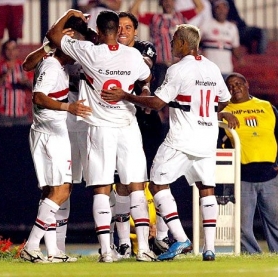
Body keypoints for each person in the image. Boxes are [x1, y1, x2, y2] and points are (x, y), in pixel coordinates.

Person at [101, 23, 239, 261]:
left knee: (156, 184)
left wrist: (124, 95)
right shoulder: (212, 68)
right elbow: (224, 100)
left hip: (182, 139)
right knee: (207, 189)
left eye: (174, 40)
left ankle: (180, 238)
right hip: (207, 137)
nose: (172, 44)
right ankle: (209, 249)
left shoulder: (178, 70)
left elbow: (156, 103)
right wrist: (205, 113)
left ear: (184, 44)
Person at [46, 9, 156, 263]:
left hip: (99, 128)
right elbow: (147, 76)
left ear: (98, 30)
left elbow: (53, 35)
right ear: (118, 30)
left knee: (102, 189)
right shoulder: (132, 55)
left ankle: (107, 251)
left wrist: (70, 13)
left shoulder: (89, 52)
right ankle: (143, 251)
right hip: (127, 126)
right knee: (136, 186)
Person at [21, 16, 94, 257]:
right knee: (63, 191)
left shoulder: (54, 64)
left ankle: (53, 251)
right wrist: (68, 108)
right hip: (52, 134)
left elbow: (29, 66)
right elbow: (38, 97)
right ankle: (31, 246)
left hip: (46, 132)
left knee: (50, 193)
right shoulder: (52, 66)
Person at [113, 11, 172, 259]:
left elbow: (142, 70)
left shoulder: (144, 48)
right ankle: (125, 242)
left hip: (146, 120)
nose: (123, 31)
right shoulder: (104, 50)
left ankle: (161, 236)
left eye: (128, 27)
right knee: (122, 182)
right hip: (118, 121)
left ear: (136, 31)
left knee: (157, 177)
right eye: (118, 27)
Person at [222, 72, 278, 254]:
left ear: (247, 85)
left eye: (238, 83)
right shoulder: (224, 110)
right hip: (242, 176)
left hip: (271, 175)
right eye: (230, 86)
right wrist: (222, 113)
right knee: (242, 226)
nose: (234, 88)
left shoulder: (266, 106)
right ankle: (253, 259)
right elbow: (204, 119)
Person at [130, 0, 187, 93]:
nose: (168, 3)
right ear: (161, 3)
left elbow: (200, 7)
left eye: (171, 1)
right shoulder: (154, 18)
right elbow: (132, 14)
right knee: (158, 96)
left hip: (179, 65)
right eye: (165, 1)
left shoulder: (182, 17)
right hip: (161, 66)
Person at [0, 39, 32, 127]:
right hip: (3, 113)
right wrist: (3, 77)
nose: (11, 52)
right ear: (4, 51)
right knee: (4, 140)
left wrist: (26, 83)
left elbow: (34, 88)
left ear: (17, 51)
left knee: (22, 140)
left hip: (21, 113)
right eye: (8, 49)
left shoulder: (25, 67)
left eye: (13, 49)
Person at [200, 0, 243, 79]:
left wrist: (240, 59)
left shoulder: (232, 28)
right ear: (214, 9)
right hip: (209, 71)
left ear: (227, 10)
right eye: (218, 8)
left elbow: (235, 48)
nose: (221, 10)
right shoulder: (206, 24)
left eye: (224, 8)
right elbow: (194, 41)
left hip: (226, 71)